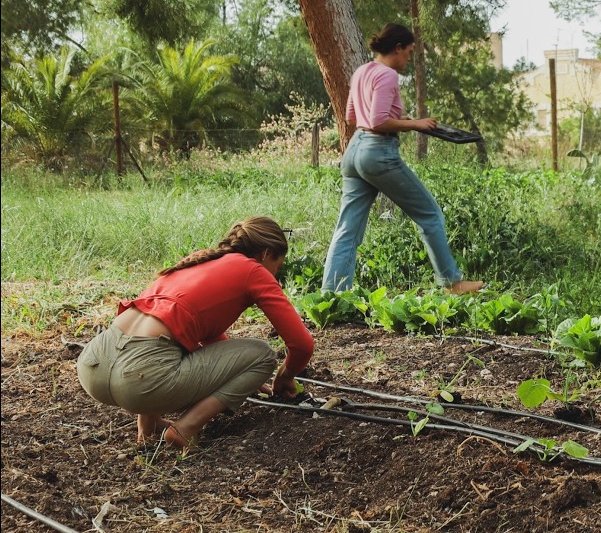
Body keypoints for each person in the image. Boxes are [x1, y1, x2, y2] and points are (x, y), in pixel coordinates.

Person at [77, 217, 313, 449]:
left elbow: (196, 333)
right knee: (263, 354)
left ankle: (147, 431)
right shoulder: (254, 271)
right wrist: (284, 375)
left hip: (94, 364)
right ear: (266, 253)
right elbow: (302, 345)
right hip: (140, 379)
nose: (275, 274)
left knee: (166, 341)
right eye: (278, 266)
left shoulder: (200, 261)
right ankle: (186, 428)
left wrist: (238, 371)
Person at [321, 22, 484, 295]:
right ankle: (452, 283)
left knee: (347, 228)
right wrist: (416, 124)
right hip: (377, 152)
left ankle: (332, 294)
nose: (408, 59)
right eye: (408, 52)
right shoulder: (387, 75)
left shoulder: (361, 72)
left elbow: (353, 117)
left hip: (354, 150)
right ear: (396, 49)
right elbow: (378, 120)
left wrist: (402, 120)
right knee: (430, 214)